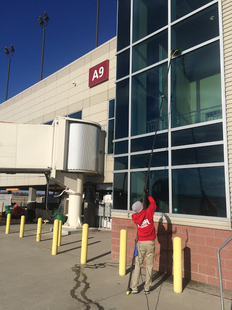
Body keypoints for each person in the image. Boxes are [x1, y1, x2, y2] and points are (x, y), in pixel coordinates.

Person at [131, 190, 157, 295]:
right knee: (149, 265)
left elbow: (139, 212)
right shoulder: (148, 212)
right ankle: (147, 288)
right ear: (142, 208)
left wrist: (141, 202)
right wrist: (149, 195)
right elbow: (153, 204)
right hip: (150, 242)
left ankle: (134, 287)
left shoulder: (134, 217)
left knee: (138, 265)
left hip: (140, 243)